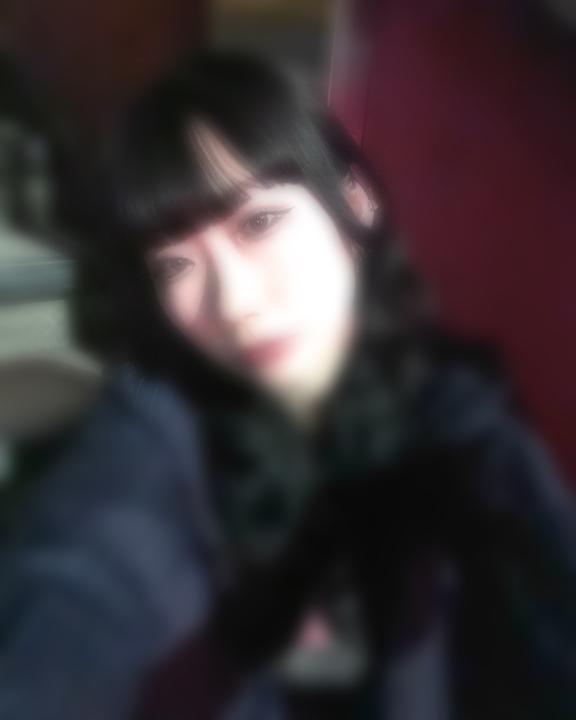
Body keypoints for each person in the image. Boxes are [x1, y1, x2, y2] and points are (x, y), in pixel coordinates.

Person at [1, 51, 576, 720]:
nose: (234, 302)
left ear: (353, 206)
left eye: (259, 224)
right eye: (176, 265)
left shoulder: (462, 419)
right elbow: (88, 575)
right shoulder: (156, 442)